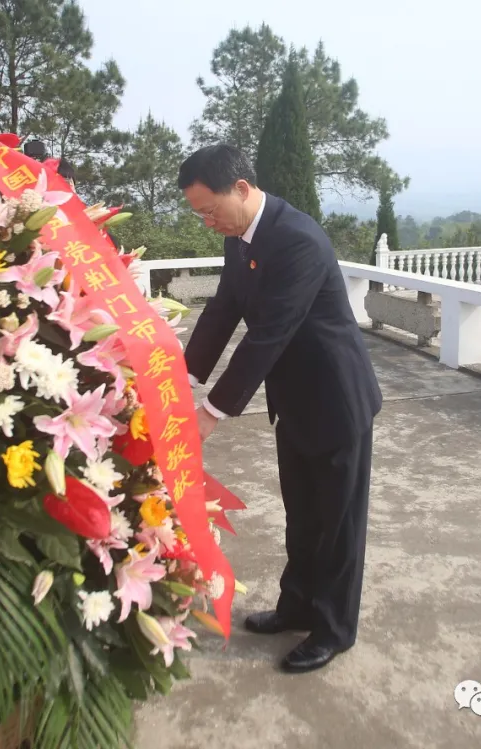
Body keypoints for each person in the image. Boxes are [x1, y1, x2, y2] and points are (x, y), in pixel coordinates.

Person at [177, 144, 383, 673]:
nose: (206, 222)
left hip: (336, 400)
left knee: (336, 525)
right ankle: (296, 607)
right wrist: (182, 377)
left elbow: (268, 335)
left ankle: (334, 629)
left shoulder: (298, 239)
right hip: (293, 401)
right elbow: (224, 309)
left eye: (209, 209)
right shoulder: (238, 235)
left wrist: (211, 413)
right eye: (197, 212)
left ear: (241, 189)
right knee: (302, 516)